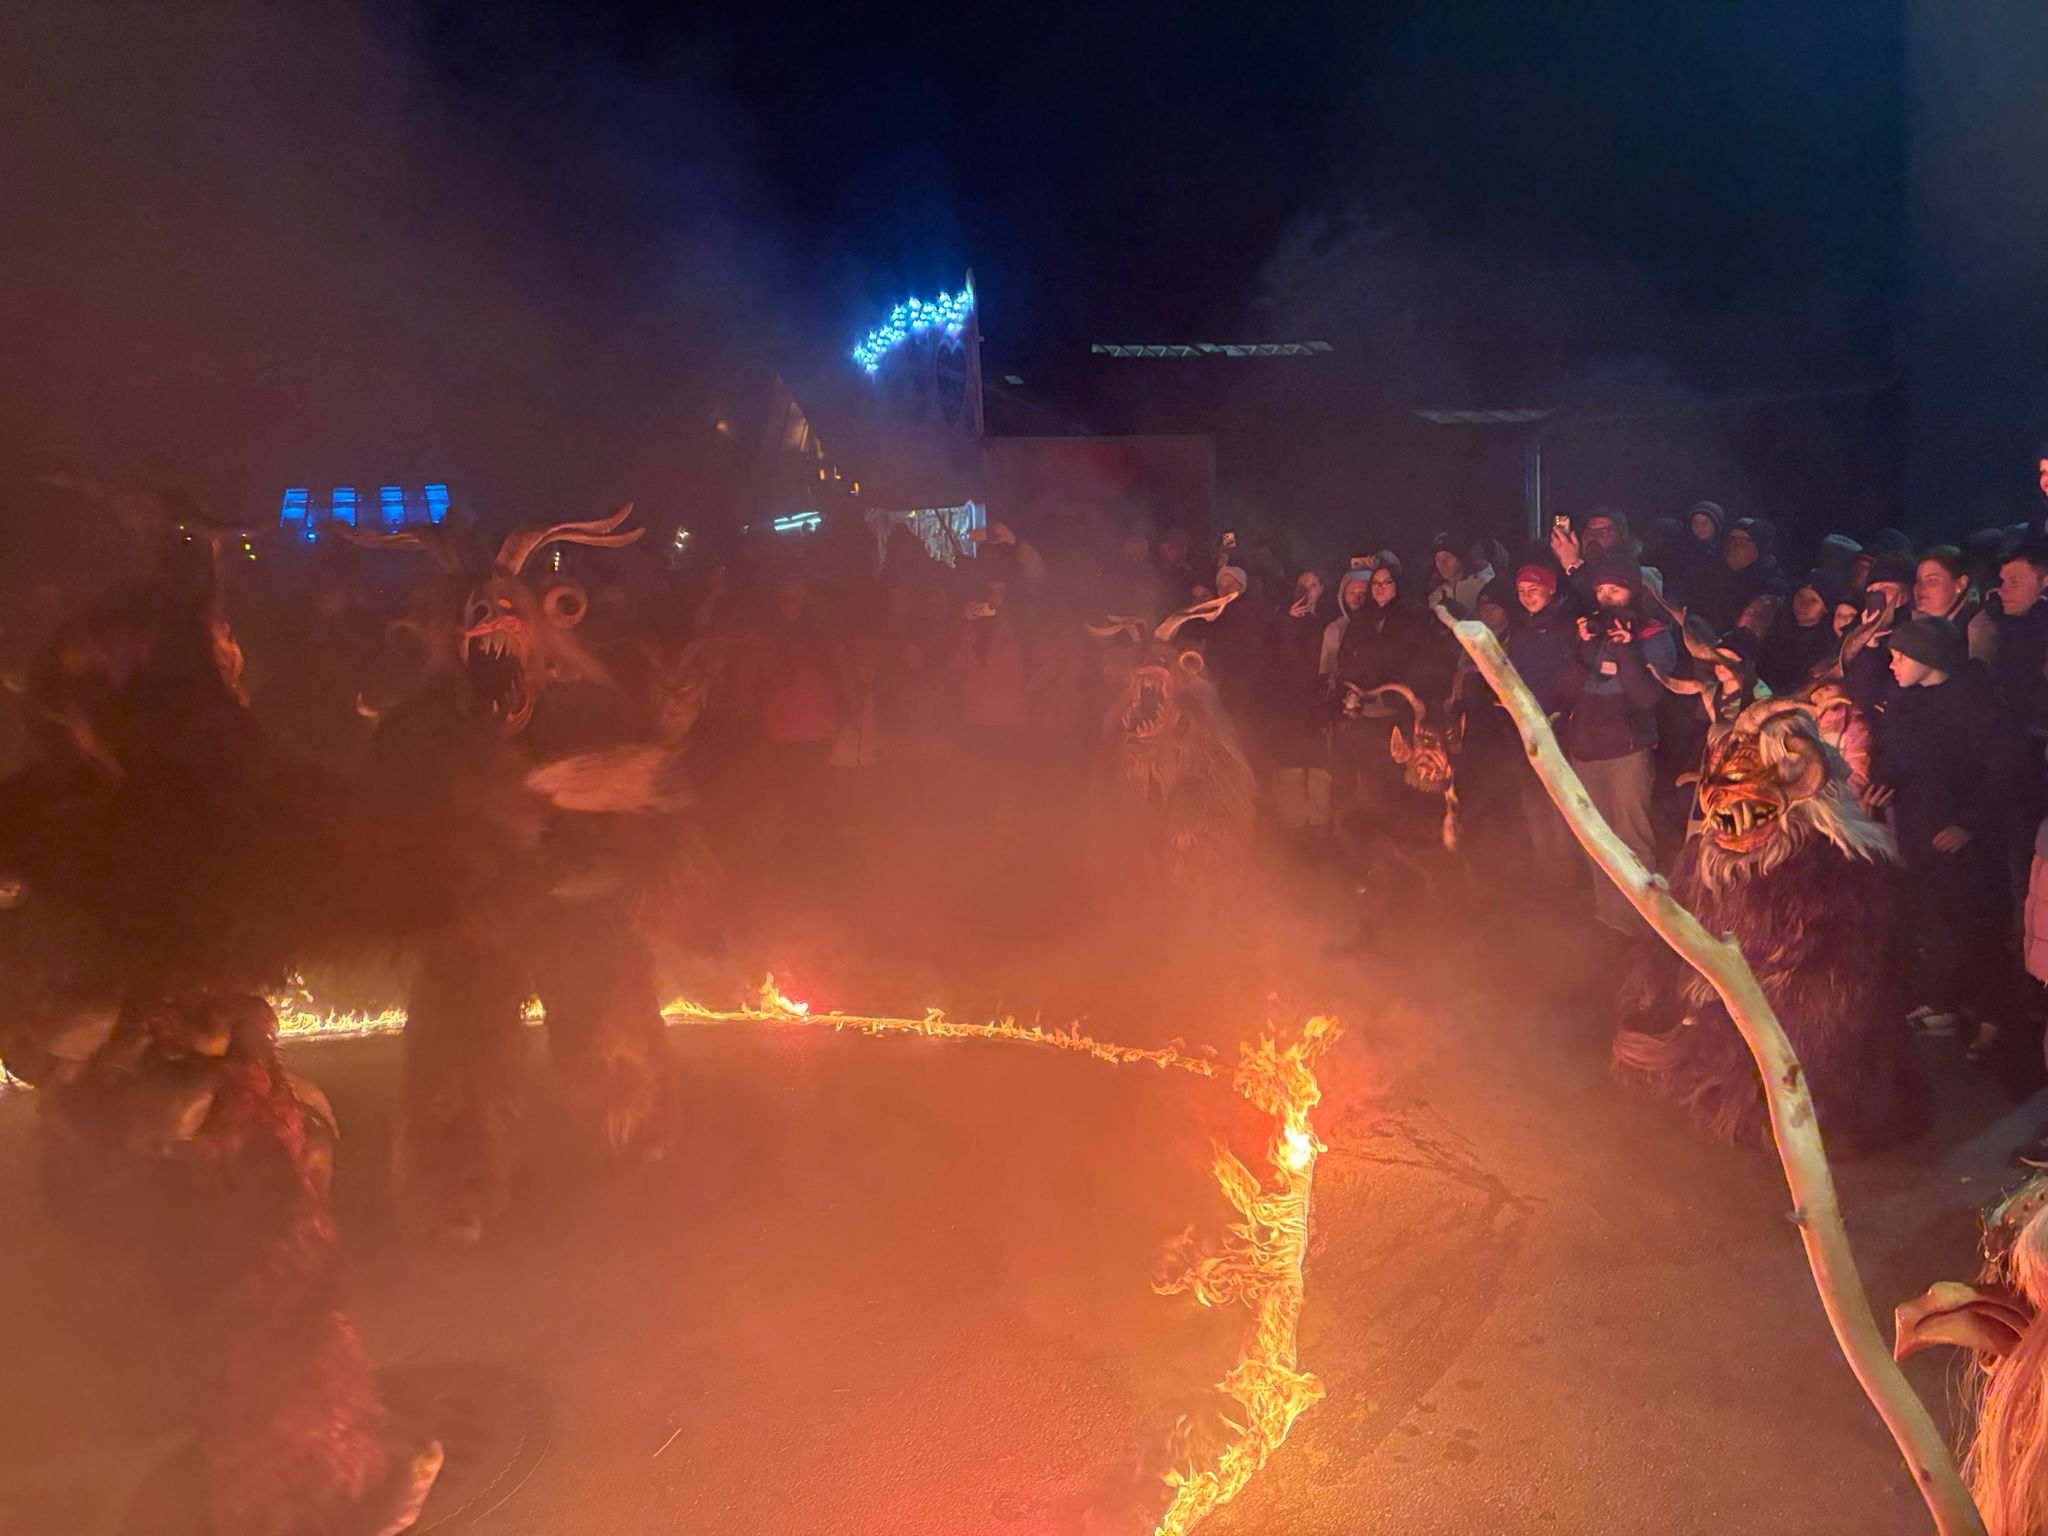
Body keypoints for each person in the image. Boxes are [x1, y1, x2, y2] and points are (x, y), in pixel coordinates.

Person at [1872, 617, 2023, 1057]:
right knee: (1937, 923)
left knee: (1978, 927)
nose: (1893, 664)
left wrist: (1968, 824)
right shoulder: (1905, 702)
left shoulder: (1977, 704)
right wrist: (1885, 782)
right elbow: (1900, 757)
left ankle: (1995, 1022)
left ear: (1930, 657)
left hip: (1971, 847)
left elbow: (2002, 772)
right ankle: (1943, 1006)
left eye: (1901, 655)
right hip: (1921, 835)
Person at [1555, 556, 1675, 935]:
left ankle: (1640, 924)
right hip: (1586, 750)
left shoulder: (1653, 635)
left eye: (1615, 589)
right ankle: (1608, 918)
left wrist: (1625, 650)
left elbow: (1647, 697)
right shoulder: (1592, 631)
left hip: (1627, 752)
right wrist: (1583, 648)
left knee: (1632, 838)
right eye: (1601, 590)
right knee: (1597, 839)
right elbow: (1566, 691)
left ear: (1632, 592)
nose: (1606, 597)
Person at [1506, 562, 1584, 882]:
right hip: (1525, 726)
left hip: (1557, 728)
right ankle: (1547, 875)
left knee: (1559, 804)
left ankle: (1568, 876)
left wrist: (1560, 714)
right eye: (1521, 591)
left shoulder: (1567, 626)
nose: (1527, 597)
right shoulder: (1522, 628)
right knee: (1533, 803)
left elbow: (1573, 677)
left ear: (1551, 590)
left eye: (1533, 589)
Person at [1267, 571, 1333, 843]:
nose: (1308, 590)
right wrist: (1287, 621)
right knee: (1290, 761)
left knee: (1319, 763)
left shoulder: (1328, 621)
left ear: (1322, 588)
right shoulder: (1281, 621)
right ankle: (1294, 825)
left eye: (1313, 584)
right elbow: (1273, 658)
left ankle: (1319, 823)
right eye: (1302, 585)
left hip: (1319, 701)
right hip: (1290, 703)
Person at [1916, 544, 1996, 661]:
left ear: (1961, 584)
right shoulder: (1917, 622)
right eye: (1918, 580)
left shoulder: (1978, 629)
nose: (1920, 588)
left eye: (1932, 580)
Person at [1425, 532, 1493, 616]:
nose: (1443, 564)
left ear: (1460, 558)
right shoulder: (1435, 597)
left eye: (1448, 556)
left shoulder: (1482, 587)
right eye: (1438, 559)